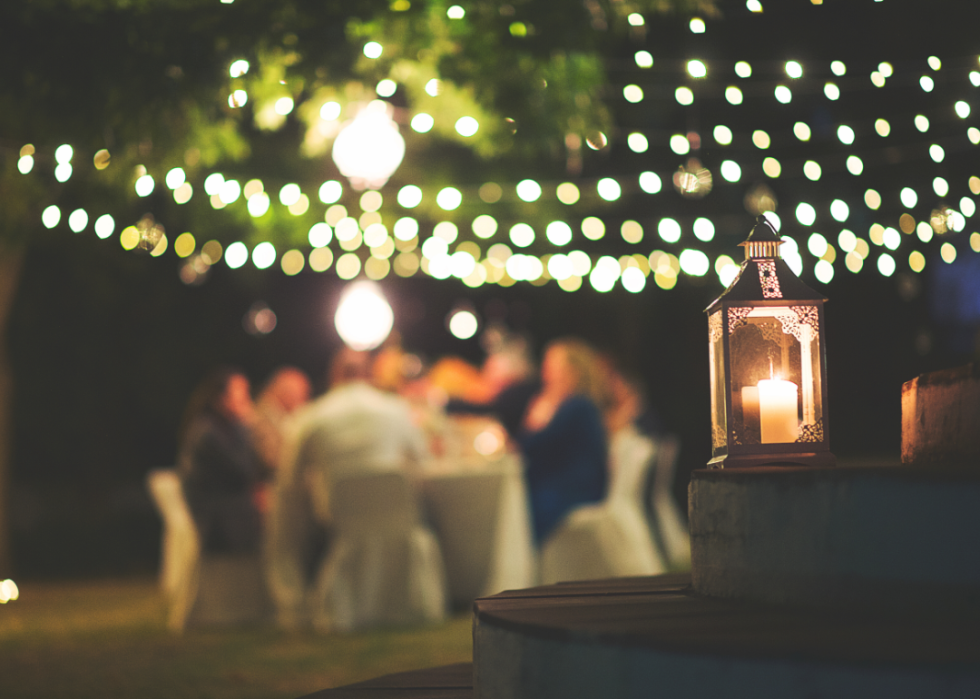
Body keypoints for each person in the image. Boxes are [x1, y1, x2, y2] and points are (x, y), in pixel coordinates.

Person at [267, 348, 431, 628]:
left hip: (340, 516)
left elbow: (289, 479)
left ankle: (293, 600)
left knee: (288, 515)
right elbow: (424, 463)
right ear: (370, 375)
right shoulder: (396, 410)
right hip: (393, 510)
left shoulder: (312, 417)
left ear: (334, 377)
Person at [517, 338, 609, 546]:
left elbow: (529, 449)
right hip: (574, 487)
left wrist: (535, 422)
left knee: (517, 506)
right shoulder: (579, 405)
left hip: (573, 493)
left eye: (552, 366)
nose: (545, 373)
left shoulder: (576, 406)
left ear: (572, 370)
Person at [177, 367, 267, 555]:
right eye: (240, 392)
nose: (246, 399)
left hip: (229, 511)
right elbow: (244, 471)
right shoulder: (208, 433)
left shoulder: (222, 429)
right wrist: (248, 427)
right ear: (220, 398)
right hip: (218, 519)